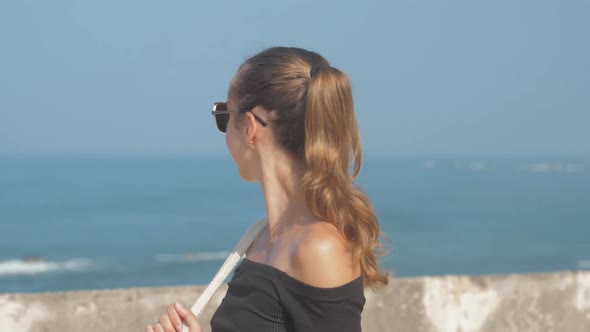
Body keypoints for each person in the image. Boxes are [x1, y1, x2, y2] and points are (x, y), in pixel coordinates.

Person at [145, 46, 390, 332]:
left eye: (223, 115)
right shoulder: (260, 240)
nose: (222, 131)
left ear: (249, 126)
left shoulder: (318, 249)